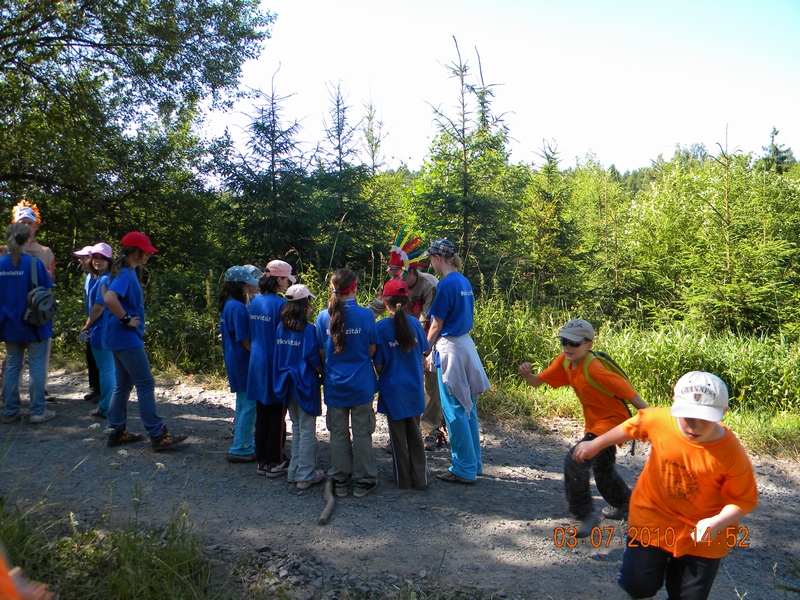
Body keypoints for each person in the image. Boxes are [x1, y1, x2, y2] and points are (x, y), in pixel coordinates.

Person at [573, 372, 758, 600]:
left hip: (703, 535)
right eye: (687, 416)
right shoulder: (659, 419)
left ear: (723, 413)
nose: (695, 425)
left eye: (705, 418)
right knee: (638, 586)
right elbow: (632, 426)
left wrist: (716, 522)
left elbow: (744, 499)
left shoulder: (730, 452)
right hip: (651, 518)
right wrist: (595, 445)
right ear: (674, 405)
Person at [518, 318, 648, 536]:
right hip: (596, 424)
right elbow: (538, 382)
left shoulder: (596, 369)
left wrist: (655, 422)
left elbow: (632, 396)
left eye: (574, 343)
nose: (568, 347)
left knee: (576, 459)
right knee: (602, 469)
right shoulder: (565, 362)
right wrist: (528, 375)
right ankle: (628, 505)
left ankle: (584, 515)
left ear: (589, 344)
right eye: (564, 342)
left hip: (613, 424)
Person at [102, 231, 187, 451]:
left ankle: (116, 431)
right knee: (145, 383)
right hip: (126, 338)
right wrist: (127, 319)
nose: (149, 255)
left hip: (116, 337)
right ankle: (157, 434)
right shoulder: (124, 274)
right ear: (136, 252)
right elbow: (109, 298)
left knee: (123, 385)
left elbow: (106, 294)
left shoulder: (124, 271)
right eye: (146, 251)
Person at [367, 228, 444, 451]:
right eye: (390, 275)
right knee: (401, 379)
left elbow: (427, 320)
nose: (393, 279)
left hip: (430, 333)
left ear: (409, 272)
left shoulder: (429, 285)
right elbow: (375, 308)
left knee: (430, 378)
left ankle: (429, 429)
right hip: (403, 334)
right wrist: (356, 322)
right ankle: (400, 434)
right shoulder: (394, 286)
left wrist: (424, 352)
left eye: (396, 275)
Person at [425, 239, 490, 484]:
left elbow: (436, 325)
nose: (431, 263)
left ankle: (463, 467)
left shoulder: (445, 285)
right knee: (468, 407)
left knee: (453, 408)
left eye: (431, 258)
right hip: (466, 346)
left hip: (450, 349)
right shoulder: (464, 281)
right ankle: (475, 462)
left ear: (438, 258)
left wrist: (424, 350)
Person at [316, 268, 379, 498]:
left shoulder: (323, 317)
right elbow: (372, 349)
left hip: (334, 383)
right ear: (354, 288)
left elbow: (322, 352)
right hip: (361, 384)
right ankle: (364, 480)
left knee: (338, 433)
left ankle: (340, 479)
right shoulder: (365, 315)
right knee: (362, 432)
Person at [373, 278, 430, 490]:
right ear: (407, 301)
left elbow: (378, 364)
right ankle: (421, 478)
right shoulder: (415, 324)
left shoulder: (380, 329)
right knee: (415, 434)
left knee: (397, 438)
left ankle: (403, 480)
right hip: (414, 387)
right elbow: (424, 352)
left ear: (384, 301)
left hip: (392, 389)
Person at [0, 223, 56, 424]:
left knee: (13, 365)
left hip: (8, 325)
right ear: (27, 240)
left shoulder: (0, 264)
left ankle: (11, 410)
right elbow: (47, 294)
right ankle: (38, 411)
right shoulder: (33, 263)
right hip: (35, 324)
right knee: (37, 366)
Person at [274, 284, 325, 490]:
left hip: (286, 381)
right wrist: (323, 372)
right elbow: (313, 357)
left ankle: (294, 470)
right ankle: (305, 474)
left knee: (295, 426)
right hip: (305, 382)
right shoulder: (308, 329)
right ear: (305, 305)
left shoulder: (281, 327)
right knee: (306, 429)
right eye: (309, 302)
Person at [248, 259, 295, 476]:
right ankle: (275, 460)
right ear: (279, 279)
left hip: (256, 362)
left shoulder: (255, 302)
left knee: (262, 411)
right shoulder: (281, 305)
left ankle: (261, 459)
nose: (287, 284)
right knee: (277, 411)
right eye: (286, 279)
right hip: (274, 363)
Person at [12, 200, 56, 401]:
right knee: (13, 358)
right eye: (22, 222)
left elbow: (50, 283)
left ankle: (39, 391)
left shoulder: (45, 252)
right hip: (12, 310)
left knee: (40, 356)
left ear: (36, 225)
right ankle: (11, 395)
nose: (26, 226)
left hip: (38, 311)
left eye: (29, 222)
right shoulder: (4, 252)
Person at [218, 266, 259, 462]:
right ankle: (240, 447)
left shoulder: (228, 304)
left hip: (234, 358)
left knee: (243, 403)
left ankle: (243, 441)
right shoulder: (238, 307)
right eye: (246, 282)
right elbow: (244, 338)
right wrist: (258, 354)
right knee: (250, 404)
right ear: (240, 285)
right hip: (243, 360)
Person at [79, 243, 115, 418]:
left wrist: (87, 325)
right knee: (108, 368)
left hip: (102, 329)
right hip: (106, 329)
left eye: (102, 258)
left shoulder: (104, 280)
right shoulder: (103, 278)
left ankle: (106, 407)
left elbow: (99, 306)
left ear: (109, 260)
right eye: (96, 257)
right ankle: (109, 405)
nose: (98, 261)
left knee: (107, 369)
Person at [74, 244, 100, 402]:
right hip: (91, 323)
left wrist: (89, 324)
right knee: (91, 355)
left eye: (83, 257)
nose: (80, 260)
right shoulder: (88, 278)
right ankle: (95, 388)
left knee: (102, 359)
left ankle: (104, 391)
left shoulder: (102, 277)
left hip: (99, 324)